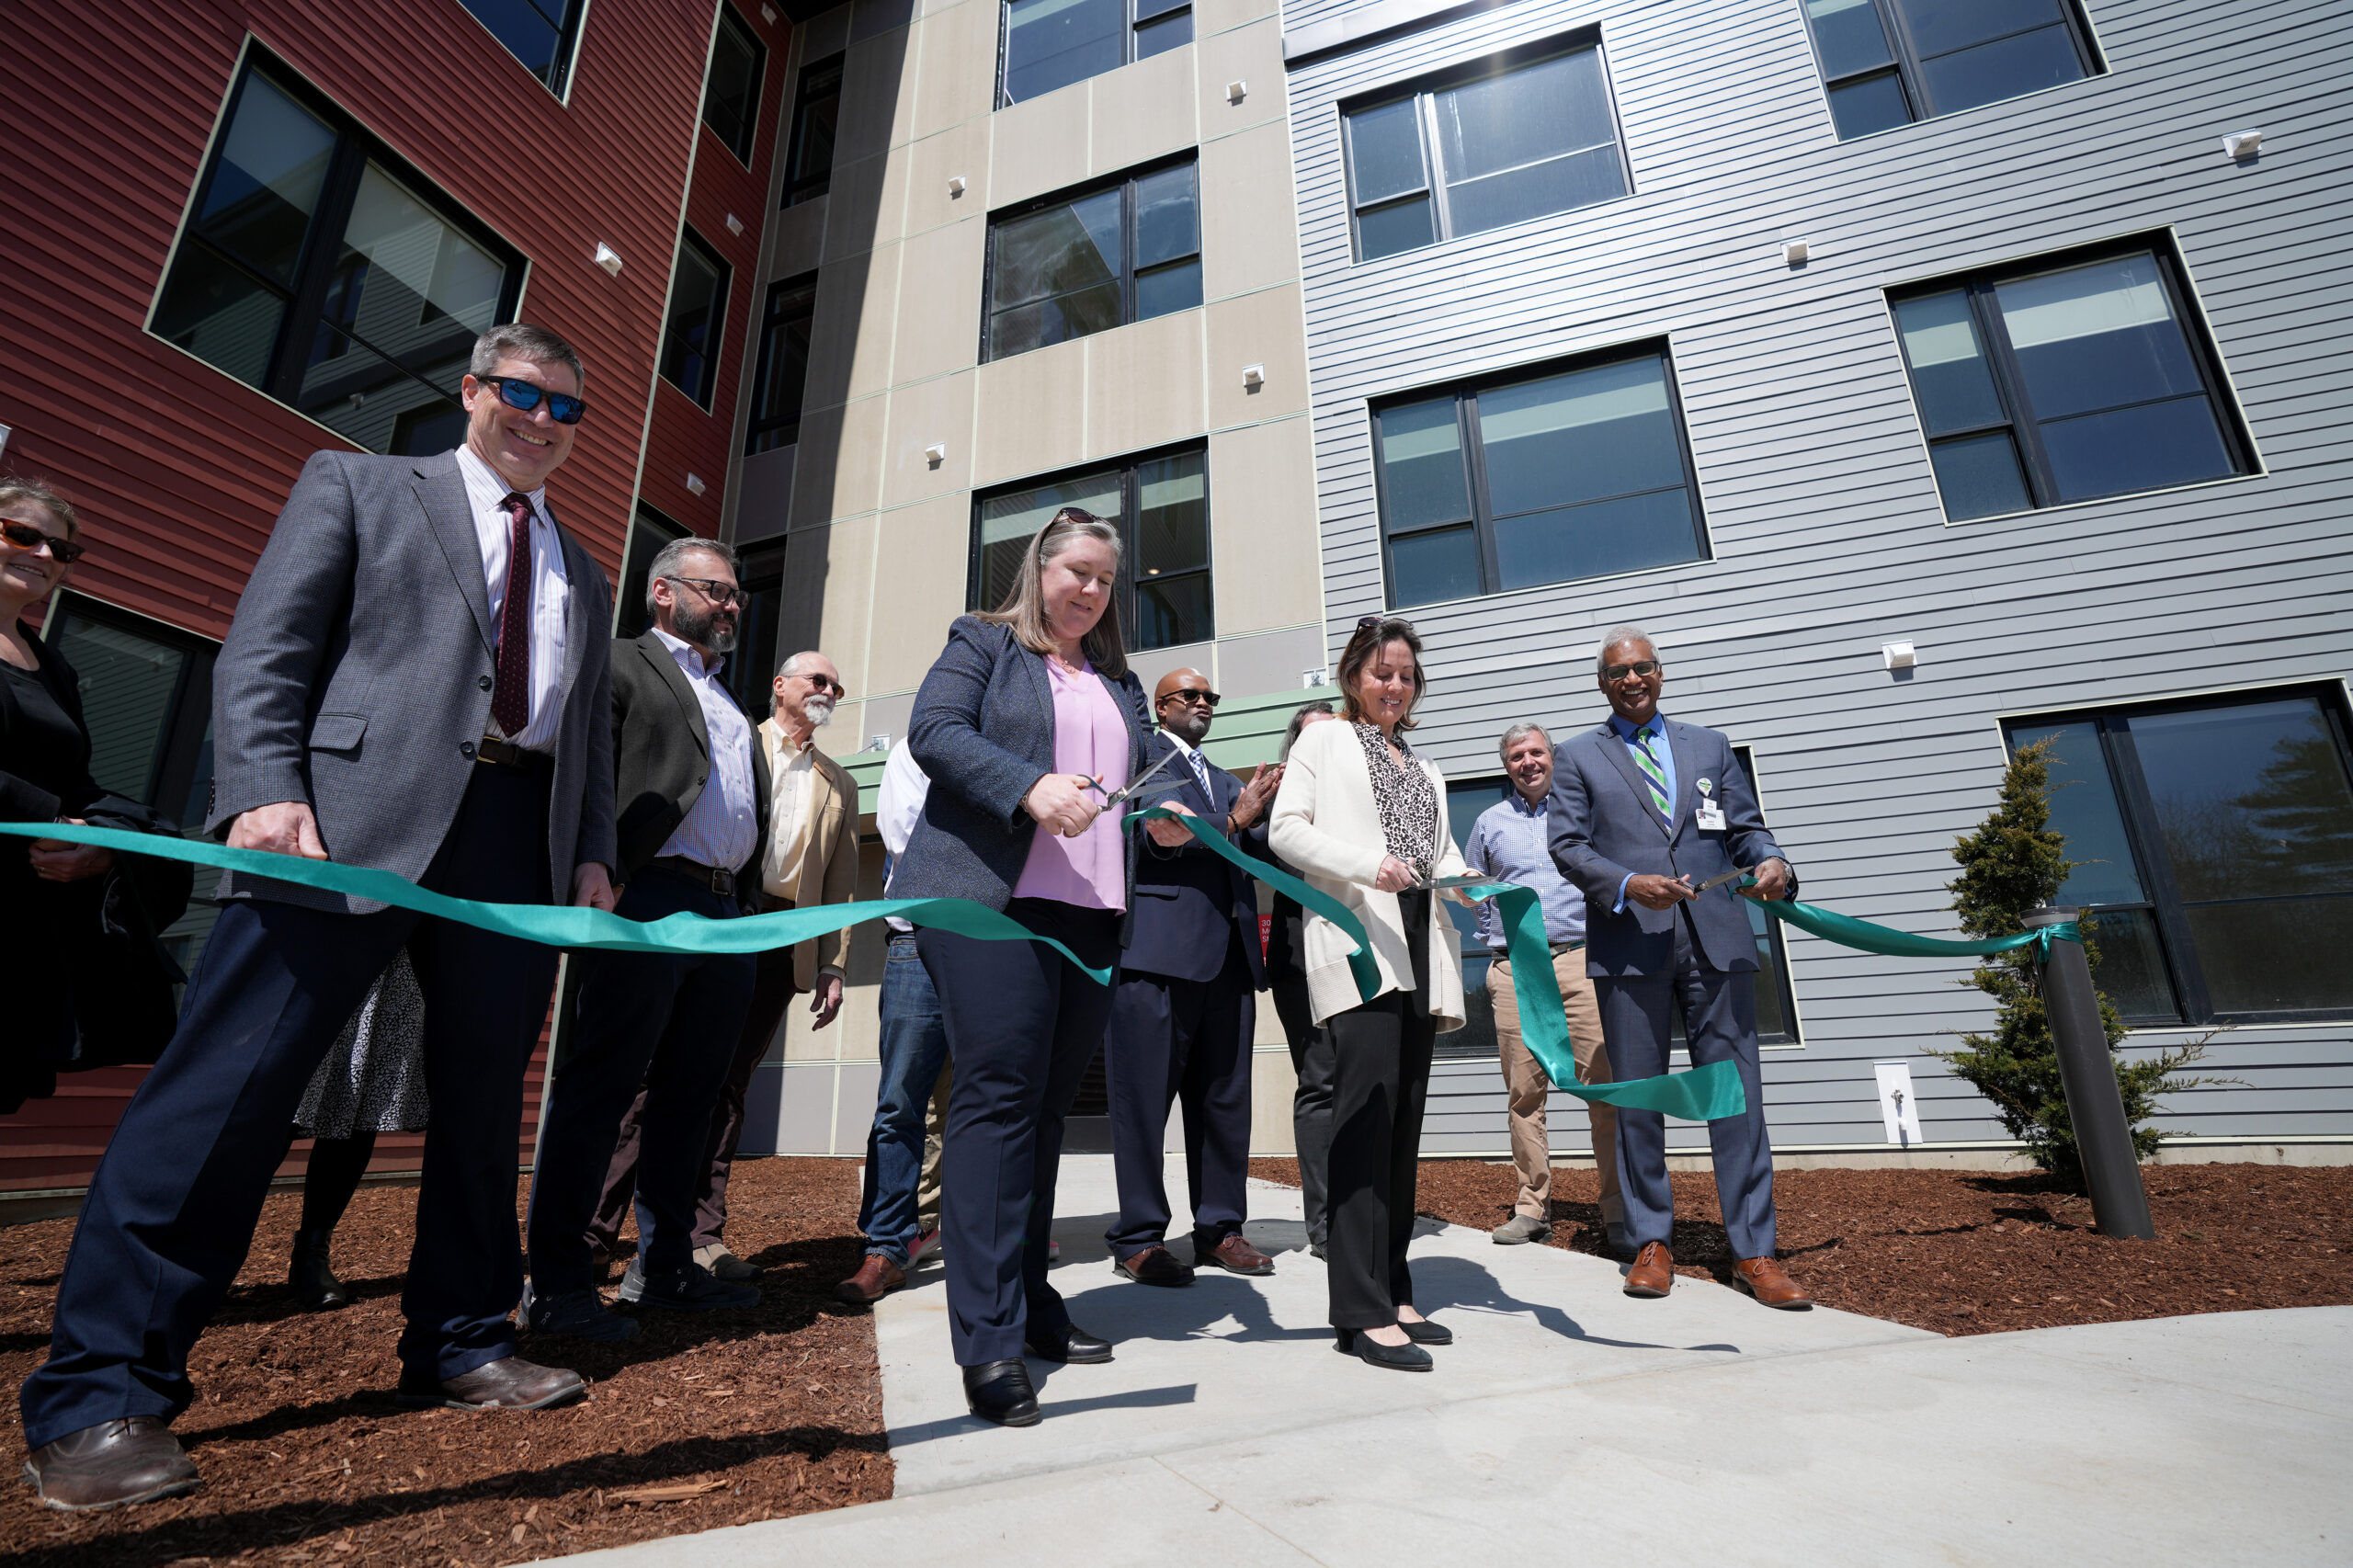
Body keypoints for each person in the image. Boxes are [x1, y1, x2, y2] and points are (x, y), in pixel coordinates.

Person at [19, 324, 620, 1512]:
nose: (543, 420)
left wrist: (591, 853)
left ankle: (460, 1334)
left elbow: (586, 728)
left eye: (566, 408)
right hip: (342, 821)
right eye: (522, 394)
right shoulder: (359, 483)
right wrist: (259, 786)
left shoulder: (583, 567)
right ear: (470, 390)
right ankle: (102, 1393)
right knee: (229, 1091)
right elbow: (266, 647)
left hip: (513, 843)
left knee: (484, 1097)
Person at [893, 506, 1147, 1427]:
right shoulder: (984, 642)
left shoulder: (1121, 681)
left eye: (1104, 579)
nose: (1088, 589)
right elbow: (935, 730)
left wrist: (1168, 814)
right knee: (996, 1099)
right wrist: (1027, 786)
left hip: (1089, 915)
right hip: (989, 904)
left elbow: (1144, 777)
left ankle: (1032, 1299)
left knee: (1042, 1111)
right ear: (1040, 568)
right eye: (1074, 570)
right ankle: (987, 1334)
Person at [524, 539, 769, 1338]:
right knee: (602, 1089)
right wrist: (597, 862)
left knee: (692, 1100)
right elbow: (590, 769)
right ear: (663, 592)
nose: (731, 605)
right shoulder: (624, 664)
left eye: (737, 595)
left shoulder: (731, 703)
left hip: (728, 915)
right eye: (716, 591)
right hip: (648, 895)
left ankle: (662, 1269)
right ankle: (557, 1282)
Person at [1546, 626, 1812, 1310]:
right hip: (1630, 945)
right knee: (1640, 1099)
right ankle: (1649, 1243)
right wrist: (1630, 884)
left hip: (1716, 941)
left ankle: (1753, 1250)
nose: (1631, 680)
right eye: (1616, 673)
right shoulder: (1576, 757)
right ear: (1602, 684)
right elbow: (1568, 847)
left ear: (1660, 672)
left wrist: (1773, 860)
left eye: (1641, 668)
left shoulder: (1710, 747)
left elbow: (1748, 829)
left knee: (1737, 1099)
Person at [585, 648, 855, 1285]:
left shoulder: (838, 782)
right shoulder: (731, 738)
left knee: (727, 1087)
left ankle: (702, 1238)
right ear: (780, 684)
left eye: (837, 687)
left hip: (783, 936)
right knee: (652, 1079)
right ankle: (596, 1230)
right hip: (713, 913)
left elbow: (843, 885)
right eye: (818, 679)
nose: (829, 690)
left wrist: (832, 964)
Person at [1269, 616, 1470, 1373]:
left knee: (1403, 1124)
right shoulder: (1323, 740)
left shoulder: (1424, 765)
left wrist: (1465, 881)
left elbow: (1438, 852)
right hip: (1361, 938)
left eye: (1407, 676)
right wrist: (1367, 864)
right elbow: (1286, 832)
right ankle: (1358, 1309)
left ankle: (1394, 1285)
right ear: (1355, 675)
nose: (1395, 685)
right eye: (1383, 671)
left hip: (1423, 938)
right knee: (1362, 1120)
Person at [1, 481, 188, 1112]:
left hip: (24, 924)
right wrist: (49, 817)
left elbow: (75, 782)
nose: (45, 556)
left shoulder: (52, 666)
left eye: (62, 550)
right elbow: (51, 800)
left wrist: (109, 845)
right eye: (21, 535)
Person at [1104, 669, 1284, 1286]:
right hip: (1155, 960)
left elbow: (1262, 843)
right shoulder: (1140, 759)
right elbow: (1162, 834)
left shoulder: (1231, 779)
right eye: (1191, 695)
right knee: (1143, 1104)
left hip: (1231, 961)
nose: (1205, 703)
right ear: (1160, 707)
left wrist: (1280, 803)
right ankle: (1140, 1238)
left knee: (1224, 1106)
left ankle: (1220, 1230)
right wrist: (1234, 818)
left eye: (1212, 695)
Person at [1462, 722, 1627, 1254]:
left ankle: (1620, 1213)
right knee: (1524, 1095)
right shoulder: (1489, 823)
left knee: (1603, 1091)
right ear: (1506, 765)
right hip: (1516, 971)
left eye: (1536, 752)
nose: (1527, 762)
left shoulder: (1583, 813)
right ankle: (1533, 1208)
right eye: (1516, 756)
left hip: (1582, 962)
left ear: (1552, 756)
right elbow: (1472, 891)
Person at [836, 736, 949, 1304]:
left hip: (998, 945)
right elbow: (910, 838)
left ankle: (1002, 1235)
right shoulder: (916, 748)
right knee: (901, 1103)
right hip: (918, 942)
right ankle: (885, 1246)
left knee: (998, 1101)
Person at [285, 951, 428, 1311]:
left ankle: (311, 1254)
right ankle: (207, 1247)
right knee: (279, 1101)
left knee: (360, 1108)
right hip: (328, 938)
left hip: (402, 952)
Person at [1255, 700, 1336, 1259]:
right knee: (1322, 1081)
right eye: (1311, 741)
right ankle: (1327, 1224)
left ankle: (1367, 1211)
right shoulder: (1277, 810)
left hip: (1362, 954)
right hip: (1300, 959)